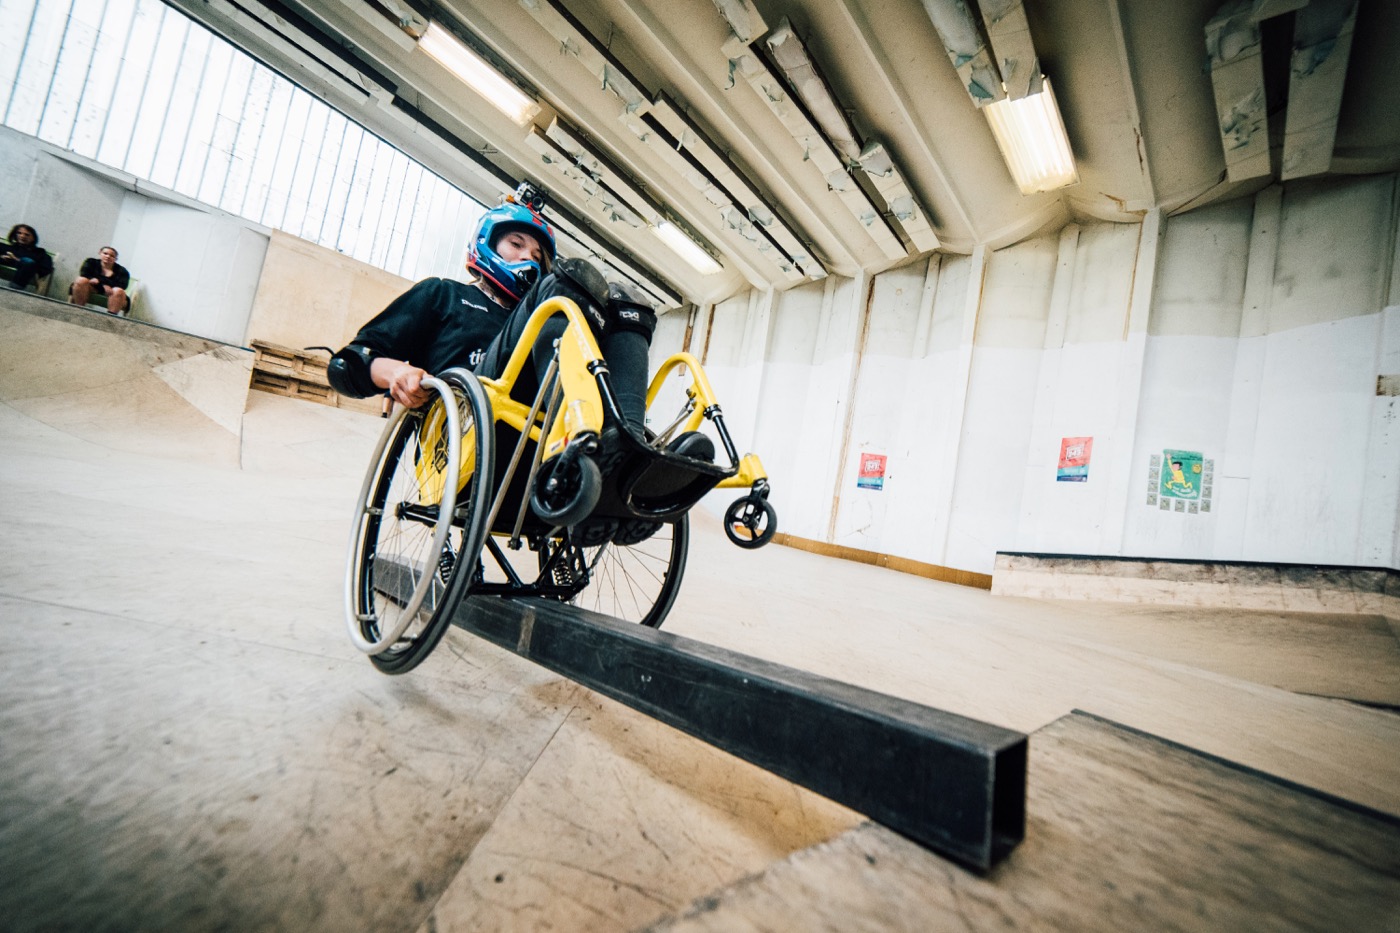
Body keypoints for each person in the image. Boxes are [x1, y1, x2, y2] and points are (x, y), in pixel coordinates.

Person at [328, 185, 712, 461]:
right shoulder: (443, 294)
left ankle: (626, 450)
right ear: (487, 245)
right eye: (515, 244)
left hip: (537, 436)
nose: (529, 258)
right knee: (566, 283)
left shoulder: (543, 317)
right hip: (464, 431)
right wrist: (395, 371)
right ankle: (582, 434)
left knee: (628, 303)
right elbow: (347, 364)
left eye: (537, 254)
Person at [70, 246, 130, 314]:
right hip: (92, 288)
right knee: (81, 280)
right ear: (100, 253)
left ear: (115, 259)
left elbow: (123, 285)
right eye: (105, 253)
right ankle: (78, 311)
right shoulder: (91, 262)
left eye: (112, 256)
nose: (108, 256)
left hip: (111, 293)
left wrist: (99, 282)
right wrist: (102, 286)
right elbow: (84, 274)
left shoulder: (122, 271)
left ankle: (110, 319)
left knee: (119, 291)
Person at [2, 224, 54, 292]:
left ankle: (13, 291)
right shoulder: (7, 248)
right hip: (7, 266)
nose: (22, 236)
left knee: (28, 261)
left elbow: (45, 268)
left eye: (27, 234)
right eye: (19, 233)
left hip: (26, 271)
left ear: (33, 238)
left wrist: (17, 260)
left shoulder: (39, 253)